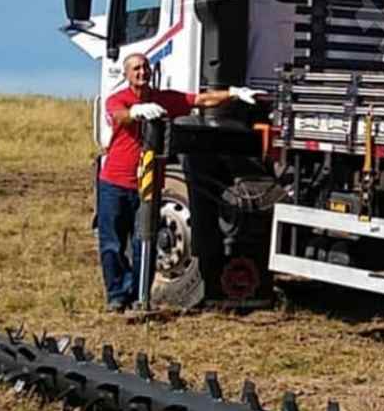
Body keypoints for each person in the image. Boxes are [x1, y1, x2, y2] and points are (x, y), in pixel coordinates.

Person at [97, 52, 261, 311]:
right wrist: (136, 111)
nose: (142, 73)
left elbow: (201, 99)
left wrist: (232, 93)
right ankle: (117, 295)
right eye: (137, 69)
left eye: (146, 68)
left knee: (145, 242)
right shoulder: (118, 99)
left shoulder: (164, 100)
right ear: (127, 74)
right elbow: (119, 116)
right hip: (114, 183)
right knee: (113, 243)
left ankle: (139, 296)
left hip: (147, 187)